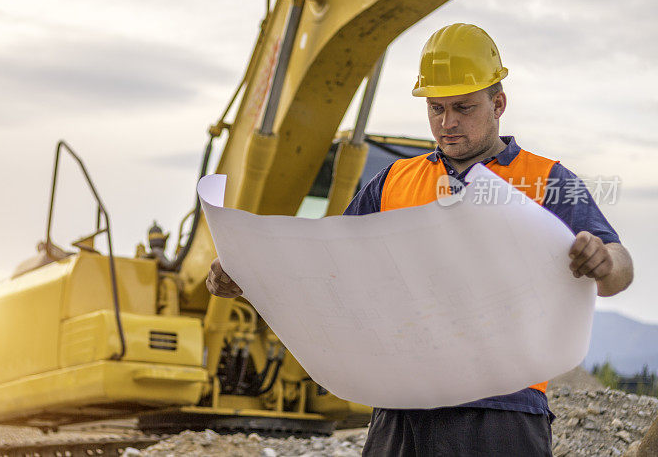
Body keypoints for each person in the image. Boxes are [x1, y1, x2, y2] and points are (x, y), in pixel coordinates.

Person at [206, 23, 634, 455]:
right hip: (400, 405)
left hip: (502, 410)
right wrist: (248, 276)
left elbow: (619, 267)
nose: (447, 124)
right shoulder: (392, 181)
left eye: (463, 108)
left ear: (498, 103)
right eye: (436, 109)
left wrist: (604, 262)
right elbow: (325, 269)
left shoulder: (548, 180)